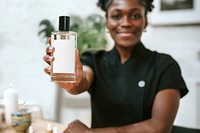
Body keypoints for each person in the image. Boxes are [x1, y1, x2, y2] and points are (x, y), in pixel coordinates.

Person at [43, 0, 189, 132]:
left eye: (135, 16)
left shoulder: (165, 66)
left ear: (146, 22)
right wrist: (73, 82)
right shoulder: (95, 60)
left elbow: (159, 128)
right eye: (116, 16)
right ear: (107, 22)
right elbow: (82, 80)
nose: (125, 23)